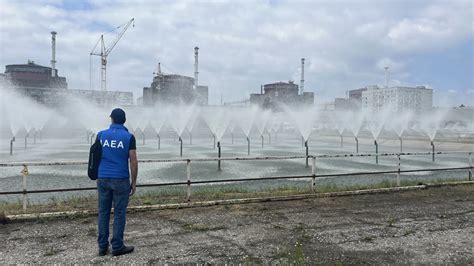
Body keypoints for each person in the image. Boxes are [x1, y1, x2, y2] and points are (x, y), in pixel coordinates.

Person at [96, 108, 138, 256]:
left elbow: (94, 157)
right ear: (124, 121)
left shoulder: (100, 135)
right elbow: (133, 160)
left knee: (103, 212)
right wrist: (133, 182)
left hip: (102, 178)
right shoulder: (128, 137)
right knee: (119, 213)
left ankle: (102, 247)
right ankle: (117, 246)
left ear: (111, 119)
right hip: (120, 179)